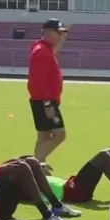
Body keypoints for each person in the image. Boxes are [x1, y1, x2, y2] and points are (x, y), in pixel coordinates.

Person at [29, 18, 68, 171]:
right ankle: (37, 164)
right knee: (59, 134)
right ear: (49, 32)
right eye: (58, 33)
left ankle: (38, 165)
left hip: (43, 100)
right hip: (44, 101)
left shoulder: (44, 49)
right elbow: (39, 81)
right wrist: (47, 104)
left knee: (44, 135)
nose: (61, 37)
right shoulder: (41, 52)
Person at [31, 148, 110, 205]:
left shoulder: (36, 177)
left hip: (73, 186)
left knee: (108, 152)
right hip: (72, 191)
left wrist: (40, 166)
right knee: (104, 156)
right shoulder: (29, 183)